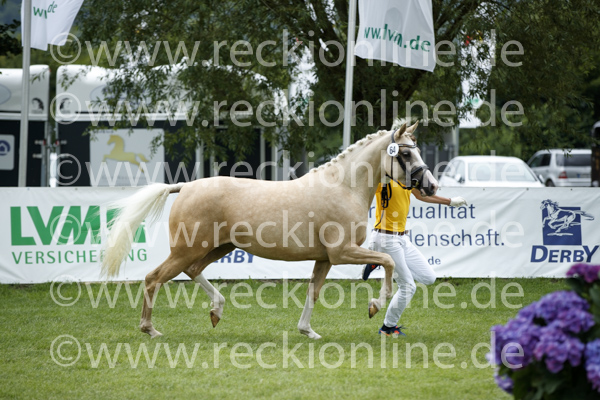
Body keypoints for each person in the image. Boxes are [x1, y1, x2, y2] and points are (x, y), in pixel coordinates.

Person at [363, 138, 467, 337]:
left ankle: (377, 260)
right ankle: (387, 328)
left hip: (402, 239)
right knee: (408, 286)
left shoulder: (405, 178)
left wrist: (450, 201)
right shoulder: (382, 178)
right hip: (386, 238)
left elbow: (421, 195)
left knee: (429, 277)